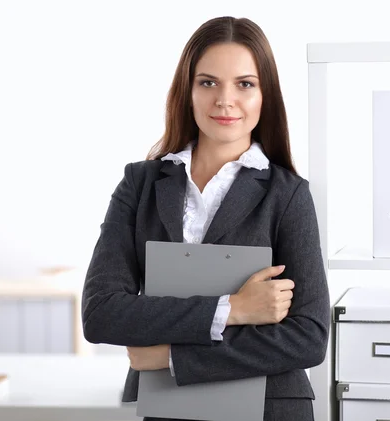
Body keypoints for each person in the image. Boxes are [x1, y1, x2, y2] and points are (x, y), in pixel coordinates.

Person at [81, 16, 330, 421]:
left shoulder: (287, 194)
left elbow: (308, 338)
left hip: (270, 407)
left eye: (245, 84)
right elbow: (102, 313)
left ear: (265, 95)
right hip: (170, 409)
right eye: (208, 82)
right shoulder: (140, 184)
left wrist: (172, 356)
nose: (225, 100)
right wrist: (233, 309)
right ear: (188, 91)